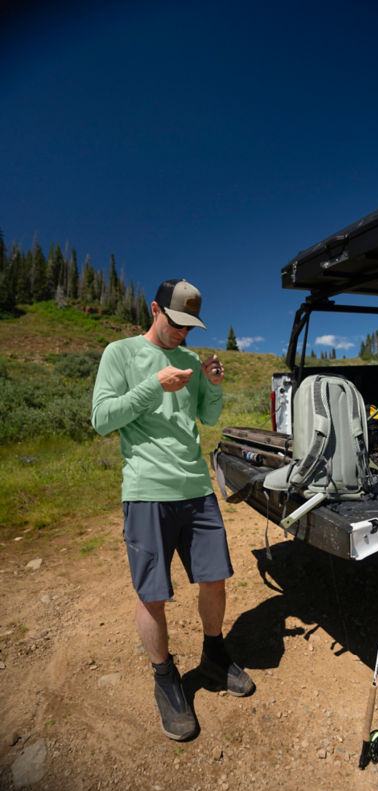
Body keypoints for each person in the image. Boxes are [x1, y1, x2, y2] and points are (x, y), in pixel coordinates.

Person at [91, 278, 254, 741]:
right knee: (152, 592)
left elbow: (208, 416)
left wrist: (215, 385)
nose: (183, 333)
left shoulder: (188, 359)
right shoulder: (119, 354)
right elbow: (102, 419)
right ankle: (165, 679)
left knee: (214, 578)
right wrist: (153, 385)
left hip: (197, 489)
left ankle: (214, 654)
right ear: (155, 309)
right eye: (176, 322)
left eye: (190, 325)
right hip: (146, 492)